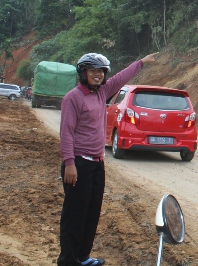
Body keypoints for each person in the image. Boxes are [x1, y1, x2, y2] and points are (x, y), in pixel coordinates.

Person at [57, 52, 158, 266]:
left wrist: (140, 62)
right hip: (78, 164)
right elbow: (66, 133)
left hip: (96, 163)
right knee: (74, 216)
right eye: (93, 70)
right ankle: (68, 261)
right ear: (83, 73)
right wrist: (69, 163)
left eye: (101, 71)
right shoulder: (72, 98)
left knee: (90, 213)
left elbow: (121, 78)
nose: (98, 75)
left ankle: (82, 257)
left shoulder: (101, 93)